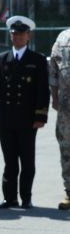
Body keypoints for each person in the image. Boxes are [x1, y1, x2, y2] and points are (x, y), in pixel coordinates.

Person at [0, 16, 49, 209]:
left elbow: (42, 90)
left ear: (28, 36)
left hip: (28, 120)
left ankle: (26, 198)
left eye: (21, 34)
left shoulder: (37, 60)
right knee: (10, 161)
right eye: (14, 34)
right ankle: (10, 198)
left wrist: (40, 116)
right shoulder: (1, 59)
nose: (17, 37)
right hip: (6, 119)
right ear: (10, 35)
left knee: (27, 162)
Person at [49, 27, 70, 210]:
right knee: (66, 148)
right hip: (66, 106)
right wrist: (54, 96)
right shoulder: (63, 37)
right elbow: (54, 70)